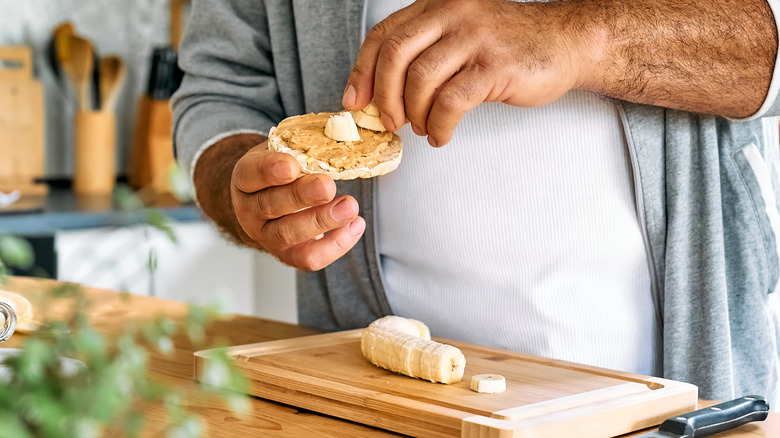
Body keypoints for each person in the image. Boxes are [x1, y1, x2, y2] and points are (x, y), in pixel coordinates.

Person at [172, 0, 780, 404]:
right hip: (376, 396)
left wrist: (582, 35)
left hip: (671, 391)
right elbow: (219, 90)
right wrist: (240, 187)